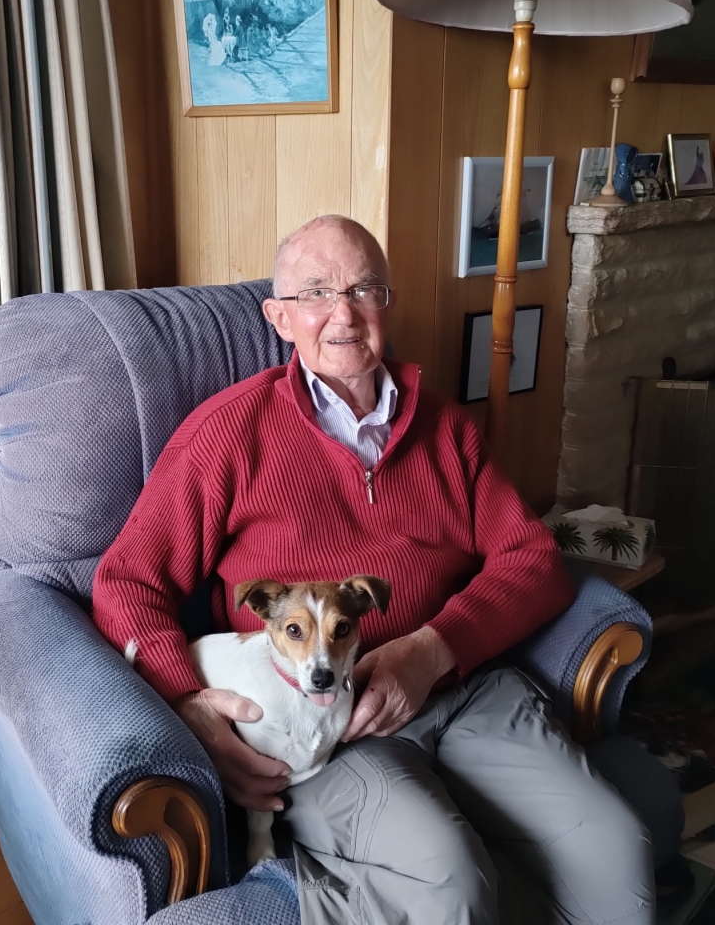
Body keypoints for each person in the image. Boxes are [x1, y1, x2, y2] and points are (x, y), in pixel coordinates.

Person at [92, 215, 654, 925]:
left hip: (463, 694)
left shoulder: (449, 433)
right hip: (324, 730)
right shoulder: (229, 433)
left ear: (387, 304)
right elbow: (126, 582)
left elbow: (534, 561)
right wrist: (188, 705)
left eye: (363, 289)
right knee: (452, 881)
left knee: (615, 848)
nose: (342, 313)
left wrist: (433, 650)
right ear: (279, 317)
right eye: (316, 292)